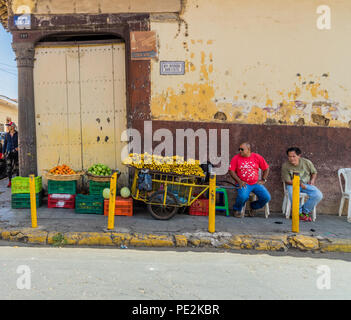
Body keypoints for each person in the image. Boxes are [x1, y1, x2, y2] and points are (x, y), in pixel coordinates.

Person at [228, 142, 271, 217]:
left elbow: (266, 168)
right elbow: (231, 171)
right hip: (243, 183)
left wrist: (263, 180)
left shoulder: (257, 157)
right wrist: (239, 181)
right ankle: (237, 209)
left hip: (255, 183)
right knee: (243, 196)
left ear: (248, 149)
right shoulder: (236, 158)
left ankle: (253, 206)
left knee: (266, 197)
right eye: (239, 149)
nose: (240, 151)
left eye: (242, 149)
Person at [281, 147, 323, 222]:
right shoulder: (285, 166)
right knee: (293, 193)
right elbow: (287, 181)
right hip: (292, 184)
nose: (291, 159)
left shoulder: (307, 162)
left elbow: (314, 172)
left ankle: (304, 212)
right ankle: (298, 213)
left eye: (294, 156)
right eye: (289, 156)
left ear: (299, 156)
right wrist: (299, 184)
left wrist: (312, 180)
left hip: (305, 184)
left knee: (318, 195)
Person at [2, 122, 18, 187]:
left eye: (9, 126)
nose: (7, 127)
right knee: (9, 168)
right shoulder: (6, 135)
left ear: (13, 126)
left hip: (16, 153)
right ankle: (10, 181)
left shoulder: (17, 134)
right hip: (8, 153)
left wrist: (18, 148)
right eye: (7, 126)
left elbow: (21, 142)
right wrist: (3, 153)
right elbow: (5, 144)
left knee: (17, 167)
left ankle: (17, 180)